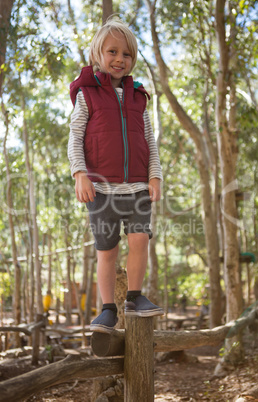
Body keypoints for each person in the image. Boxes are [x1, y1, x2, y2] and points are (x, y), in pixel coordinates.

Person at [68, 17, 163, 334]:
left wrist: (155, 176)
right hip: (101, 189)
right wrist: (80, 173)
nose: (120, 59)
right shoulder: (87, 95)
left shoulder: (139, 97)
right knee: (106, 251)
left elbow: (150, 141)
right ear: (98, 54)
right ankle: (108, 309)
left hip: (137, 187)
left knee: (140, 239)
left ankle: (135, 297)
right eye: (112, 52)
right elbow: (75, 137)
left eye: (127, 54)